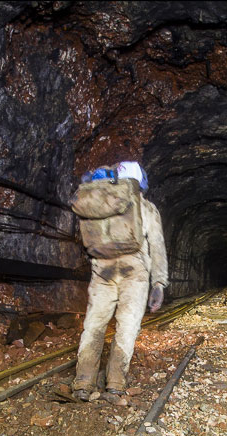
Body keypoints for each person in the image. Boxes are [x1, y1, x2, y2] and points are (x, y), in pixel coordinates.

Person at [71, 161, 168, 402]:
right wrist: (159, 283)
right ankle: (115, 383)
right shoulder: (145, 207)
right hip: (134, 271)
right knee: (126, 326)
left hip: (102, 270)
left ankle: (83, 382)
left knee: (94, 325)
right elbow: (156, 245)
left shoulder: (96, 203)